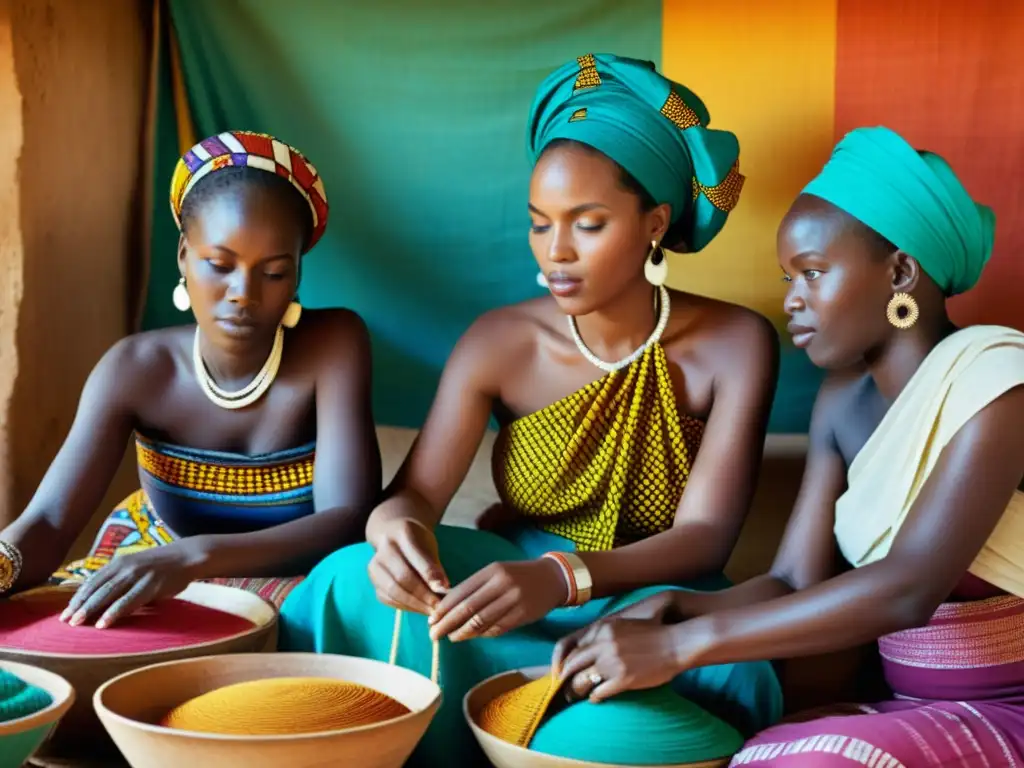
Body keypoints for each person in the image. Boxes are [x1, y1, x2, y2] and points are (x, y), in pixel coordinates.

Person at [279, 54, 782, 766]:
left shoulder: (736, 344)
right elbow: (417, 494)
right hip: (503, 588)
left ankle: (537, 714)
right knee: (347, 577)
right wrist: (396, 537)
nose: (556, 252)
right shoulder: (499, 342)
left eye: (588, 224)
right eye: (539, 223)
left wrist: (559, 577)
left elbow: (707, 538)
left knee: (739, 669)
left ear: (654, 224)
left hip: (651, 602)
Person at [552, 126, 1024, 767]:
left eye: (813, 273)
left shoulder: (997, 384)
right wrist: (679, 607)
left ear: (901, 273)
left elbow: (908, 587)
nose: (791, 301)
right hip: (912, 710)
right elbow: (793, 579)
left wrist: (682, 645)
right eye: (786, 277)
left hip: (1009, 709)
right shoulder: (841, 402)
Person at [0, 131, 381, 627]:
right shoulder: (134, 369)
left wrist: (196, 558)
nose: (243, 292)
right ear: (183, 255)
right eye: (220, 265)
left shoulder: (335, 344)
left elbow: (347, 519)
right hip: (155, 560)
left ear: (298, 274)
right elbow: (49, 522)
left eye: (274, 273)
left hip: (295, 575)